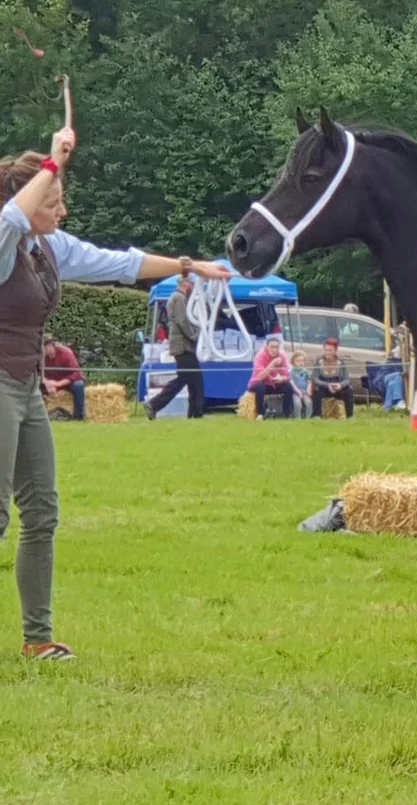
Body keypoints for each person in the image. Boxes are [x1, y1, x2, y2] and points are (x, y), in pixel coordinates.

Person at [0, 124, 231, 661]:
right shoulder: (7, 237)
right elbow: (11, 217)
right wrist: (54, 160)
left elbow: (119, 263)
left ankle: (38, 639)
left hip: (24, 386)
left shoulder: (47, 247)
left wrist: (186, 267)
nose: (62, 212)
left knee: (42, 513)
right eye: (53, 201)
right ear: (29, 199)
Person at [143, 275, 205, 419]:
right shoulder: (179, 298)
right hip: (183, 346)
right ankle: (154, 404)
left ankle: (195, 412)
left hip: (182, 345)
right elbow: (182, 320)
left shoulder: (178, 297)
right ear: (187, 284)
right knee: (186, 378)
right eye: (192, 283)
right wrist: (194, 336)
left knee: (194, 379)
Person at [42, 334, 86, 420]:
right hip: (49, 382)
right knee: (33, 387)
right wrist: (47, 384)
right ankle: (41, 416)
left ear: (51, 345)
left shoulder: (66, 353)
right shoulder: (39, 356)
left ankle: (78, 417)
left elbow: (76, 373)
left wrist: (57, 384)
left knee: (79, 385)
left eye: (46, 346)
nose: (45, 349)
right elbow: (36, 372)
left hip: (68, 382)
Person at [247, 338, 294, 418]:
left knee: (288, 386)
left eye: (277, 347)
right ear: (267, 347)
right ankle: (260, 414)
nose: (275, 350)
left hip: (275, 383)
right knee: (260, 386)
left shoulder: (282, 356)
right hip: (260, 383)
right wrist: (272, 364)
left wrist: (282, 379)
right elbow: (260, 377)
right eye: (272, 347)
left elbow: (287, 375)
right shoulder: (260, 356)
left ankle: (286, 414)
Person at [311, 337, 355, 418]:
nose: (327, 352)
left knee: (348, 390)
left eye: (330, 350)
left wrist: (340, 385)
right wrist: (327, 385)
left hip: (337, 383)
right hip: (324, 384)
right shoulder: (319, 361)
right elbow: (315, 378)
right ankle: (317, 415)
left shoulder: (341, 362)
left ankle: (349, 415)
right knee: (316, 390)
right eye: (326, 350)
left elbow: (347, 379)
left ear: (335, 351)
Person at [290, 351, 313, 419]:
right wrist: (298, 392)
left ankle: (307, 418)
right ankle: (298, 419)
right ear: (293, 362)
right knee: (297, 404)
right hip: (295, 392)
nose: (300, 363)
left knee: (308, 403)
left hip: (304, 392)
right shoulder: (291, 371)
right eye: (298, 361)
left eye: (302, 361)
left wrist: (308, 389)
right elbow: (292, 383)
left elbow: (309, 381)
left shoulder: (306, 371)